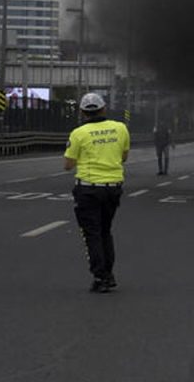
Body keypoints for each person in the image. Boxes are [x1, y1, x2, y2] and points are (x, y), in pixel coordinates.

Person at [63, 92, 130, 293]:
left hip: (88, 190)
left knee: (91, 234)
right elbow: (124, 156)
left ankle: (100, 276)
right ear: (104, 109)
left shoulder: (79, 133)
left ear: (83, 112)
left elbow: (68, 164)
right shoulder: (120, 129)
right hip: (113, 189)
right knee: (105, 231)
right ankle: (108, 274)